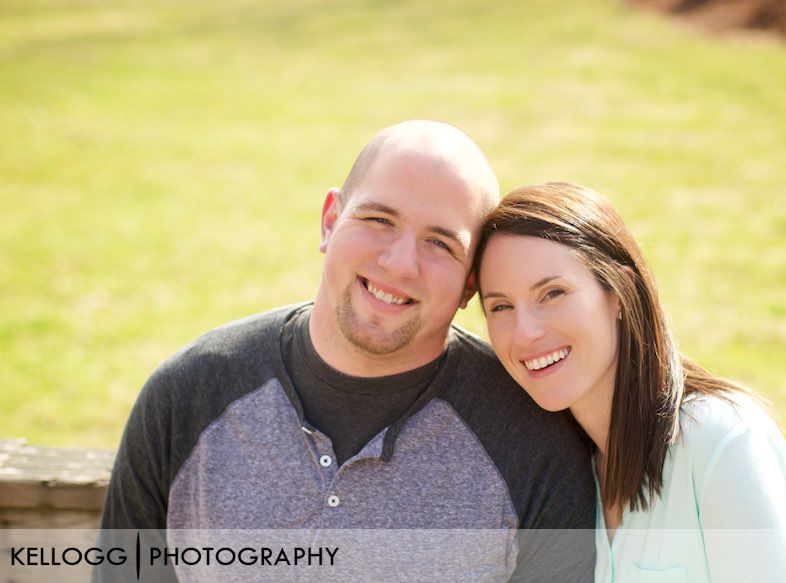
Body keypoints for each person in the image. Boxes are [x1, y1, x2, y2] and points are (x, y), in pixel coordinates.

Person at [97, 123, 596, 582]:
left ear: (470, 285)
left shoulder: (531, 441)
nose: (400, 264)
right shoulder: (188, 395)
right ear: (330, 221)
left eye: (440, 244)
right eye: (379, 219)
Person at [476, 182, 786, 583]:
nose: (525, 332)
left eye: (553, 293)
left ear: (621, 292)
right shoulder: (565, 469)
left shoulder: (720, 441)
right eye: (501, 306)